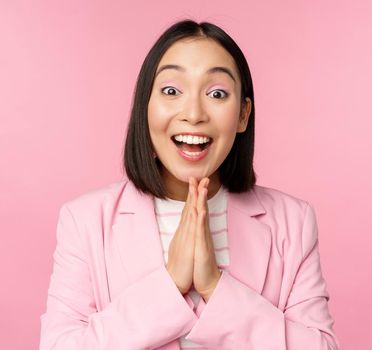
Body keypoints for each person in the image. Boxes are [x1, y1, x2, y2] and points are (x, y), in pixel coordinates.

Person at [39, 20, 340, 349]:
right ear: (146, 107)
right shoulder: (83, 220)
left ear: (243, 115)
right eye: (171, 91)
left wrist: (214, 286)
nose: (194, 113)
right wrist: (169, 285)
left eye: (216, 93)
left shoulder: (293, 222)